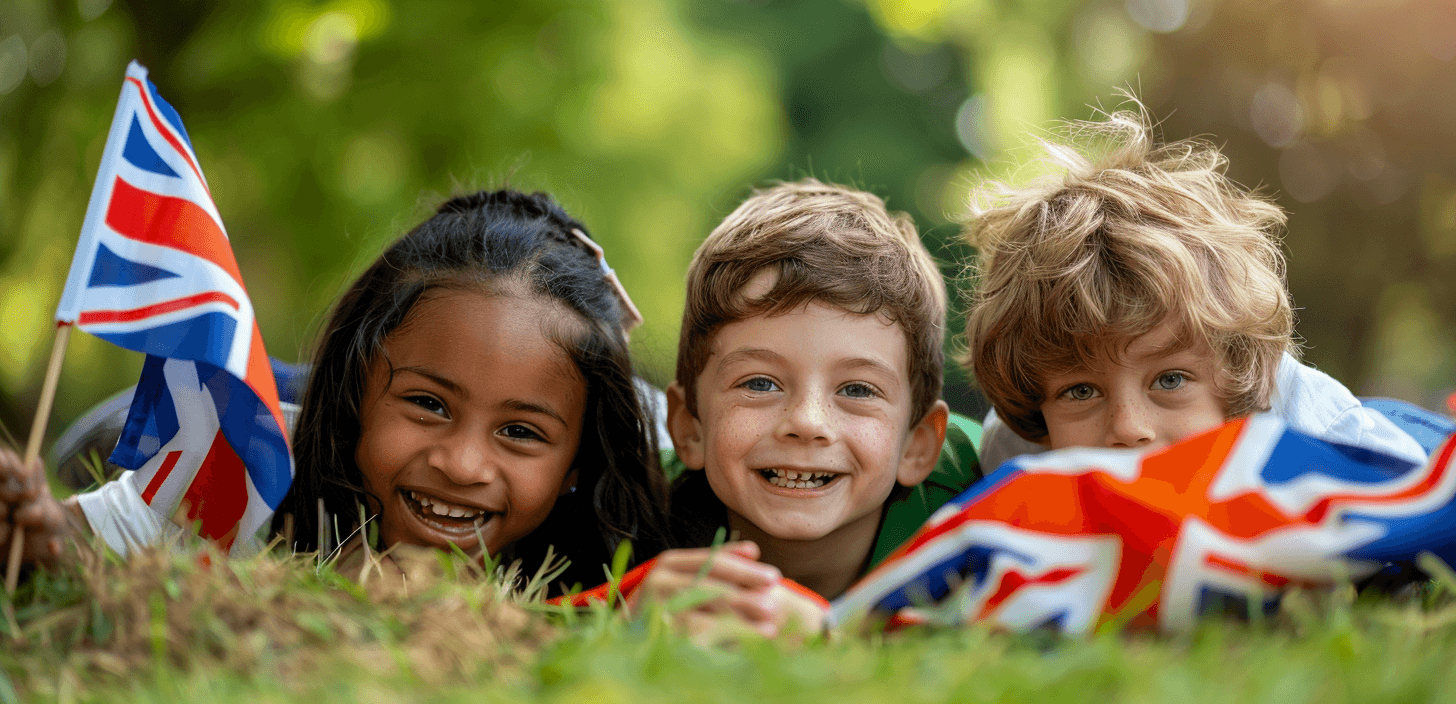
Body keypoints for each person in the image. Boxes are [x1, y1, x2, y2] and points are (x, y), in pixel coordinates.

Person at [1, 190, 670, 591]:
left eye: (519, 432)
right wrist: (35, 528)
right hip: (283, 415)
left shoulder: (636, 477)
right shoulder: (250, 452)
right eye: (429, 404)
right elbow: (82, 540)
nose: (462, 464)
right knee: (122, 436)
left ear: (579, 459)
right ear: (356, 386)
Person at [567, 180, 982, 636]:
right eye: (760, 383)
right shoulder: (626, 508)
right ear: (689, 427)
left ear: (917, 444)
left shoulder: (981, 495)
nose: (806, 422)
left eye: (858, 390)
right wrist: (621, 612)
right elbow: (508, 618)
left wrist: (834, 633)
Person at [963, 109, 1428, 471]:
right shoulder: (1019, 455)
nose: (1128, 428)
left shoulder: (1316, 432)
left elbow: (1424, 501)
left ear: (1236, 381)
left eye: (1170, 380)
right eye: (1080, 391)